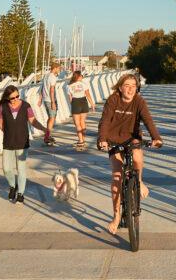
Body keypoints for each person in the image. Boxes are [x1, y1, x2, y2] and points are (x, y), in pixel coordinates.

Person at [98, 73, 163, 235]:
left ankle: (139, 182)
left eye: (133, 86)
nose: (130, 89)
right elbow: (105, 120)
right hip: (113, 139)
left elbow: (148, 120)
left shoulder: (139, 101)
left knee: (137, 157)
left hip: (132, 138)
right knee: (117, 176)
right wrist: (102, 139)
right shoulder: (113, 99)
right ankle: (116, 216)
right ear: (120, 87)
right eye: (127, 86)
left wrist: (156, 138)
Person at [0, 85, 48, 204]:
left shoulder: (26, 106)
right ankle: (12, 186)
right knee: (6, 169)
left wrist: (44, 129)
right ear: (7, 98)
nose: (15, 99)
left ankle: (20, 193)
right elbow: (0, 123)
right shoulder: (2, 107)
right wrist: (9, 132)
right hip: (8, 141)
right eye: (12, 98)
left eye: (17, 96)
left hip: (22, 141)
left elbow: (33, 121)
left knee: (21, 169)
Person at [67, 70, 95, 150]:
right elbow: (88, 94)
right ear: (79, 77)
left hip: (75, 102)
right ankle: (83, 139)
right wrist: (92, 104)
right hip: (84, 102)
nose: (82, 76)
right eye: (81, 75)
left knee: (77, 123)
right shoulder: (84, 84)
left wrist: (72, 106)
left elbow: (70, 98)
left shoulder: (69, 86)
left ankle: (80, 140)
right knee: (82, 121)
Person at [40, 62, 61, 145]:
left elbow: (42, 87)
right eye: (58, 68)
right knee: (52, 118)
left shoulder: (46, 76)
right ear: (55, 68)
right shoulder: (52, 77)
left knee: (50, 117)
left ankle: (47, 135)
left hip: (46, 99)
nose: (59, 70)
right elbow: (51, 90)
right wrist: (53, 102)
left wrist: (40, 98)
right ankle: (47, 136)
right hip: (50, 100)